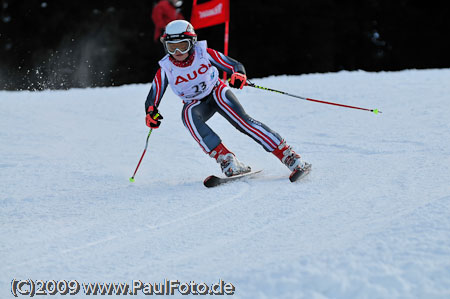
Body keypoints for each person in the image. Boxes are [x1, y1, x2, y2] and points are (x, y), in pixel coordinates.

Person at [144, 20, 310, 180]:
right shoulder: (166, 69)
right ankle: (226, 159)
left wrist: (238, 74)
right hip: (195, 103)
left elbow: (234, 65)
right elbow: (153, 96)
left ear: (192, 43)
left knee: (244, 123)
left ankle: (288, 155)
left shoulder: (204, 53)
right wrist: (151, 112)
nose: (177, 53)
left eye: (182, 46)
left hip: (217, 92)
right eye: (172, 47)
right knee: (188, 117)